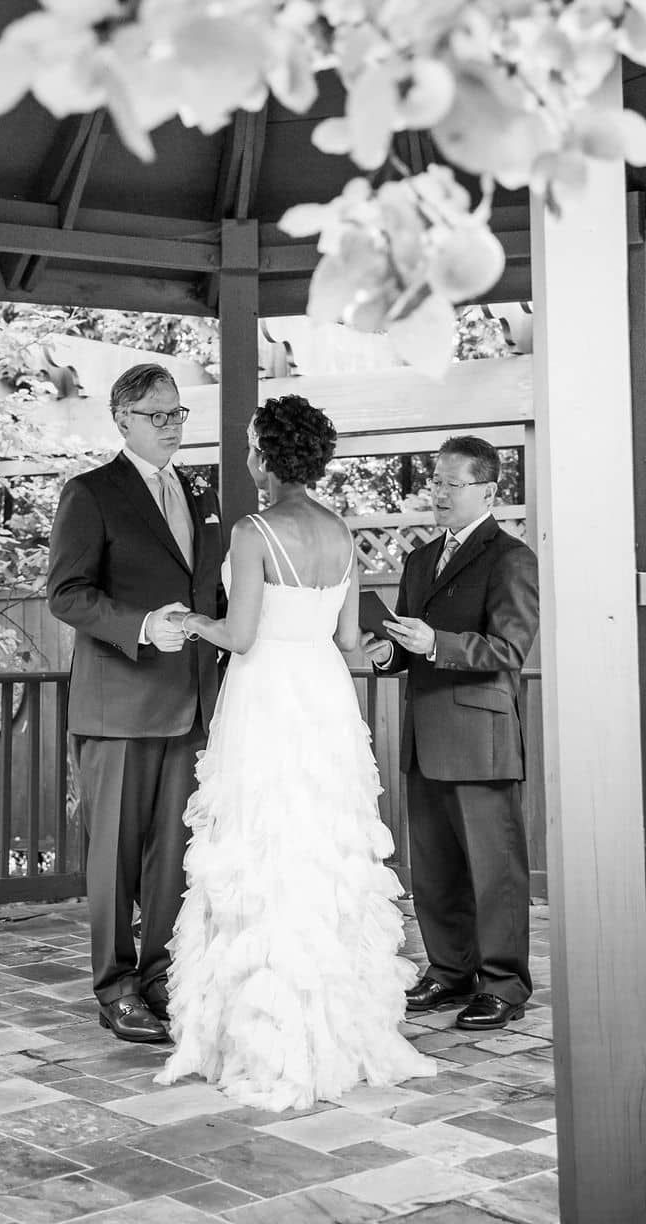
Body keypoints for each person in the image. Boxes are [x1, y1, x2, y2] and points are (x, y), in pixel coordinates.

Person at [156, 395, 434, 1110]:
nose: (247, 456)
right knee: (320, 850)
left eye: (250, 445)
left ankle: (266, 1037)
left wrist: (191, 620)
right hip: (325, 695)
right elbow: (349, 644)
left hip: (266, 696)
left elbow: (242, 635)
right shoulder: (341, 532)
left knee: (263, 847)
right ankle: (336, 1027)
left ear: (265, 456)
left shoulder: (252, 531)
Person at [47, 363, 224, 1044]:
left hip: (191, 705)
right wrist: (144, 626)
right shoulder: (90, 494)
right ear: (120, 418)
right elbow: (65, 594)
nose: (173, 426)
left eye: (179, 414)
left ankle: (156, 975)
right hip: (118, 705)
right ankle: (114, 986)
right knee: (114, 855)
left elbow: (214, 597)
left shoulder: (201, 493)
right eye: (158, 415)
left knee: (172, 853)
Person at [365, 436, 539, 1033]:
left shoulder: (511, 558)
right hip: (426, 733)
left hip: (481, 735)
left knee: (495, 870)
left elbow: (510, 648)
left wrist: (436, 643)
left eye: (450, 483)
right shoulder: (419, 561)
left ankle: (504, 983)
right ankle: (449, 970)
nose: (436, 492)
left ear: (488, 491)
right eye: (434, 482)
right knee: (433, 867)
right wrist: (388, 652)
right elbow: (407, 647)